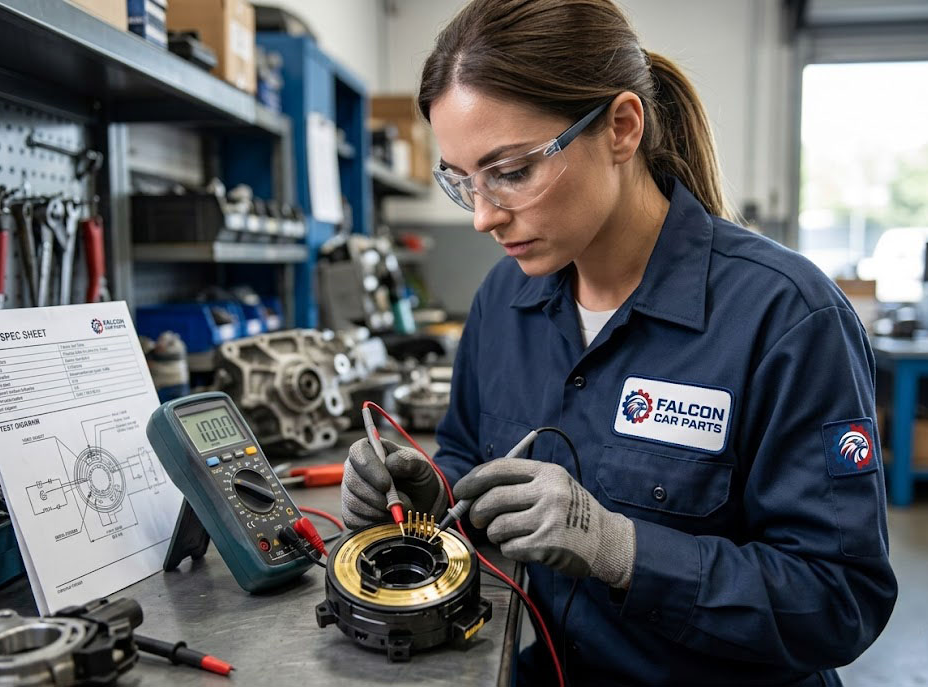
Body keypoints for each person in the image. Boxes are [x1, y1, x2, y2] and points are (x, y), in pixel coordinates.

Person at [341, 1, 898, 684]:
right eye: (461, 181)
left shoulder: (787, 318)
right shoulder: (502, 301)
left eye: (511, 170)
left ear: (621, 128)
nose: (484, 215)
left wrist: (621, 549)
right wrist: (432, 495)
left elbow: (840, 598)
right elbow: (468, 457)